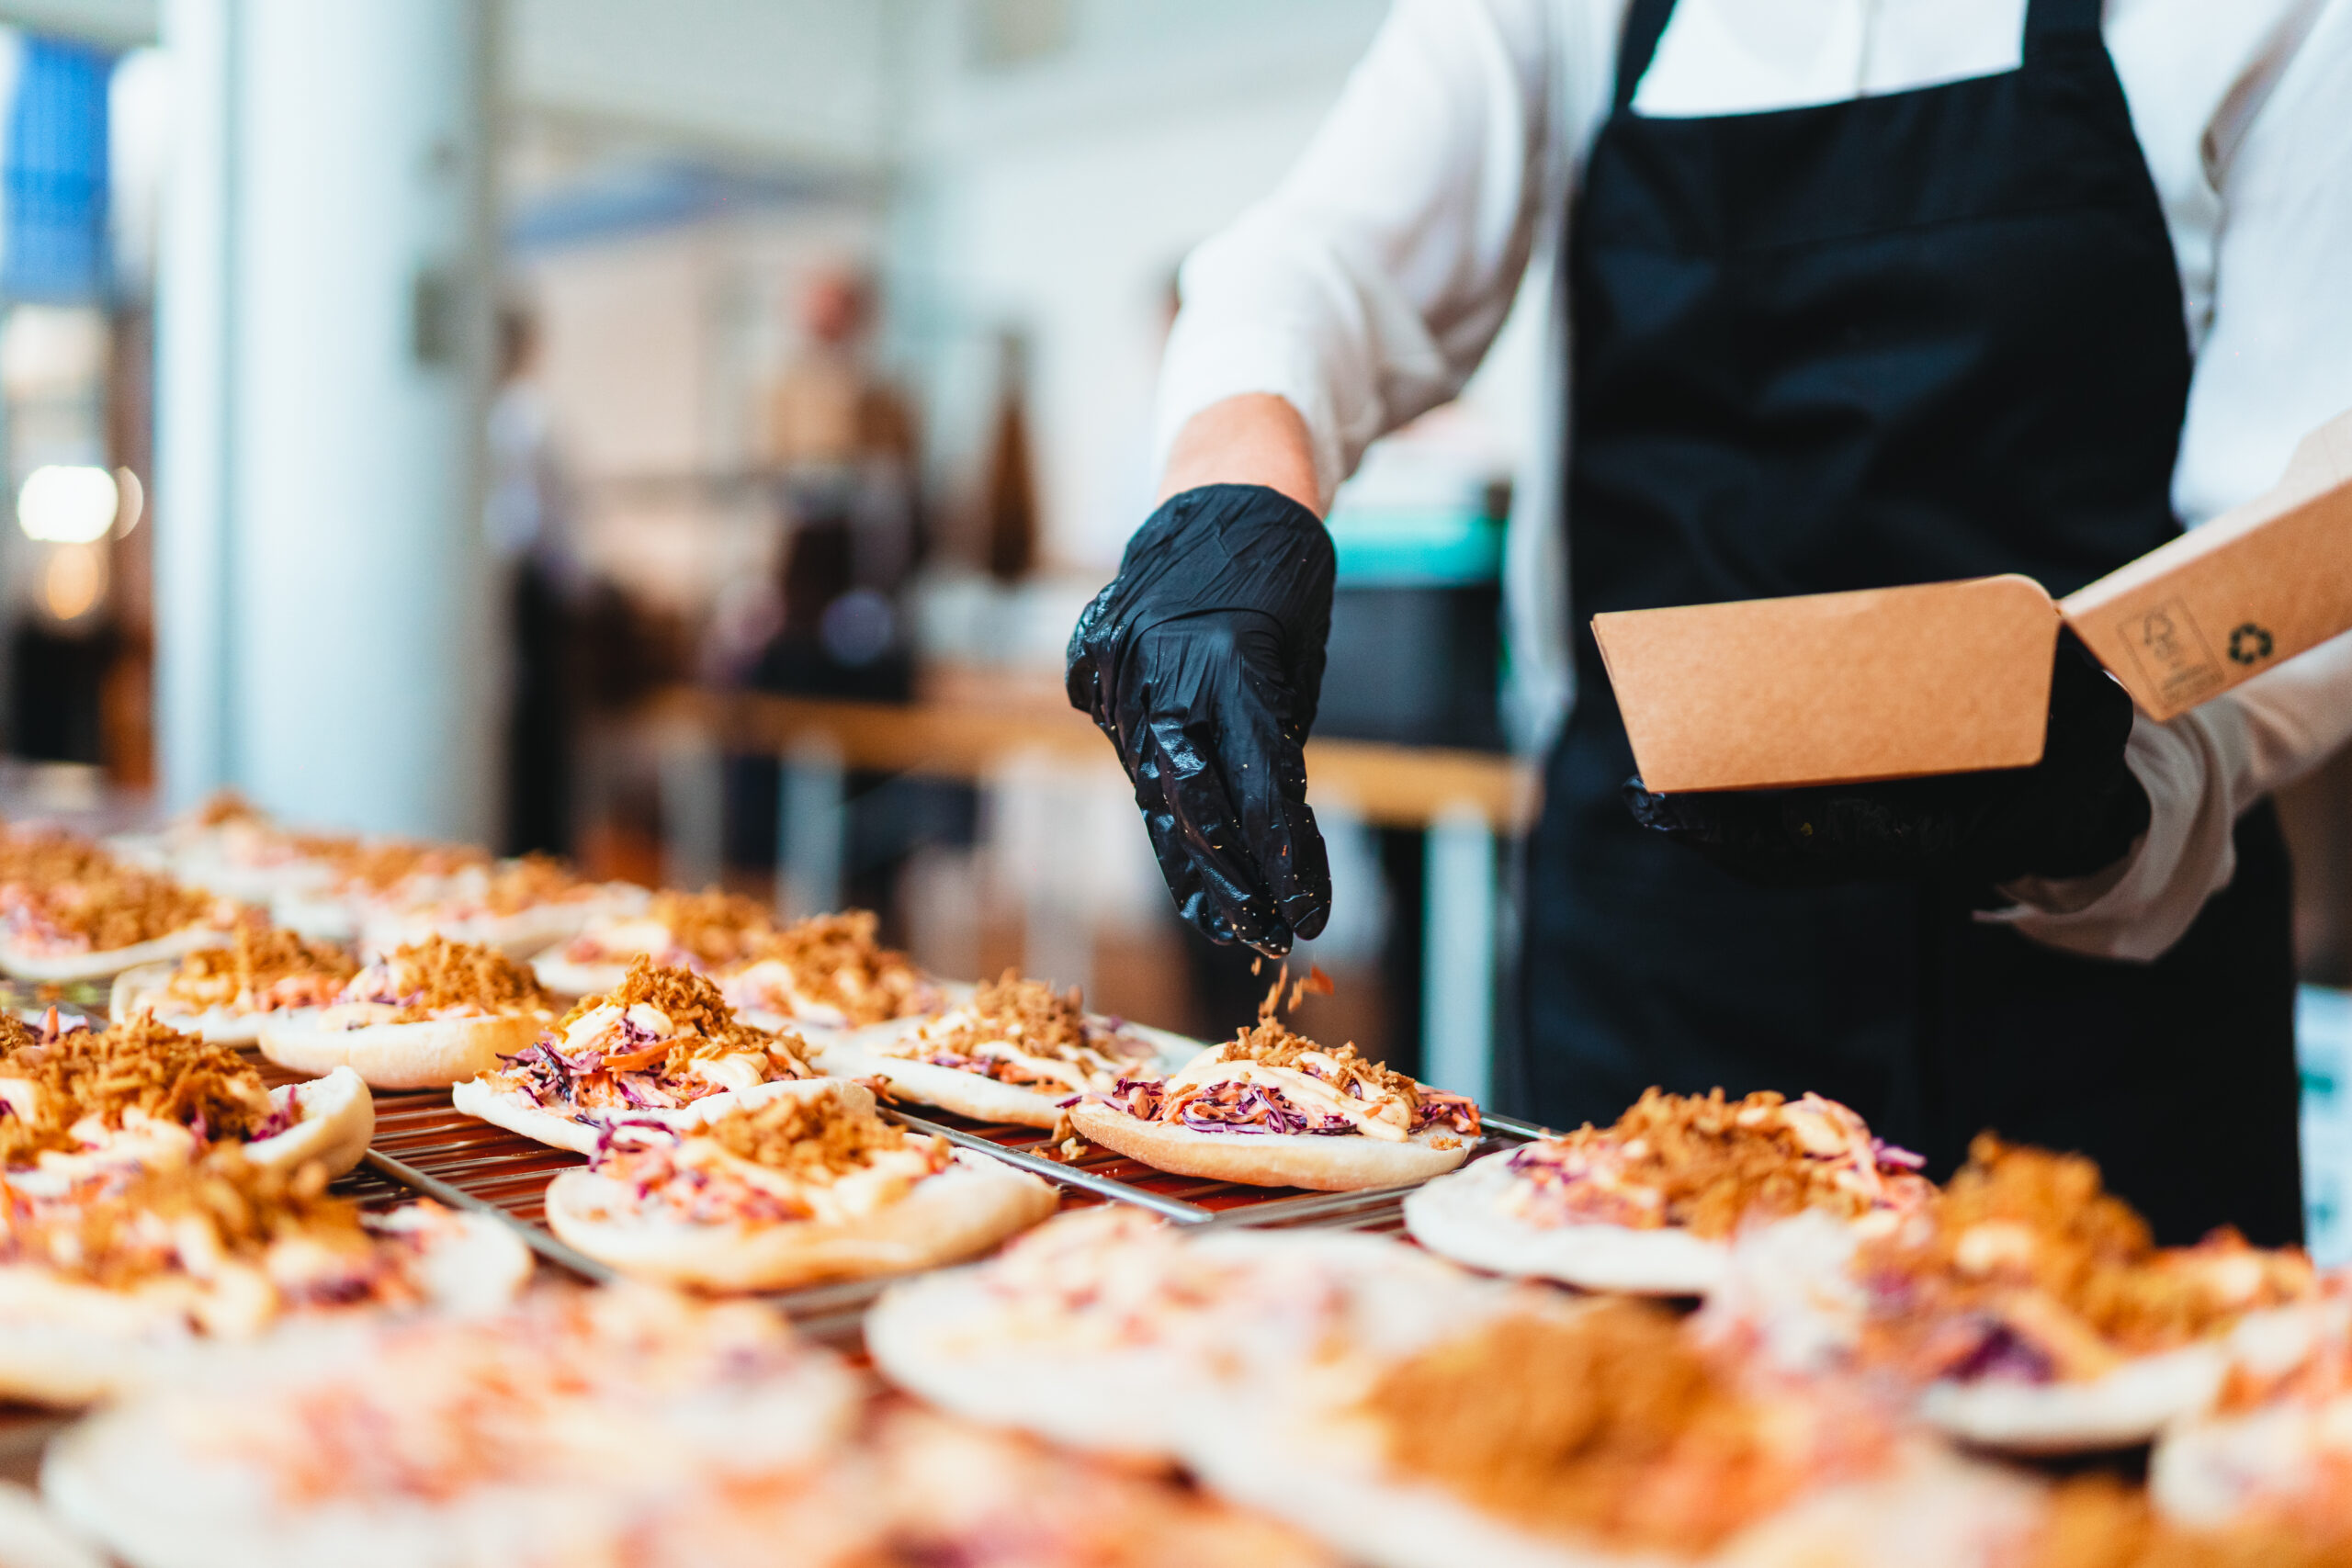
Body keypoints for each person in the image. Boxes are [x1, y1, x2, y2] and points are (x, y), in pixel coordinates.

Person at [1066, 0, 2352, 1245]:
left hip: (2100, 968)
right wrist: (1231, 495)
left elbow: (2307, 544)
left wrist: (2134, 776)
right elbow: (1323, 259)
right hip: (1655, 968)